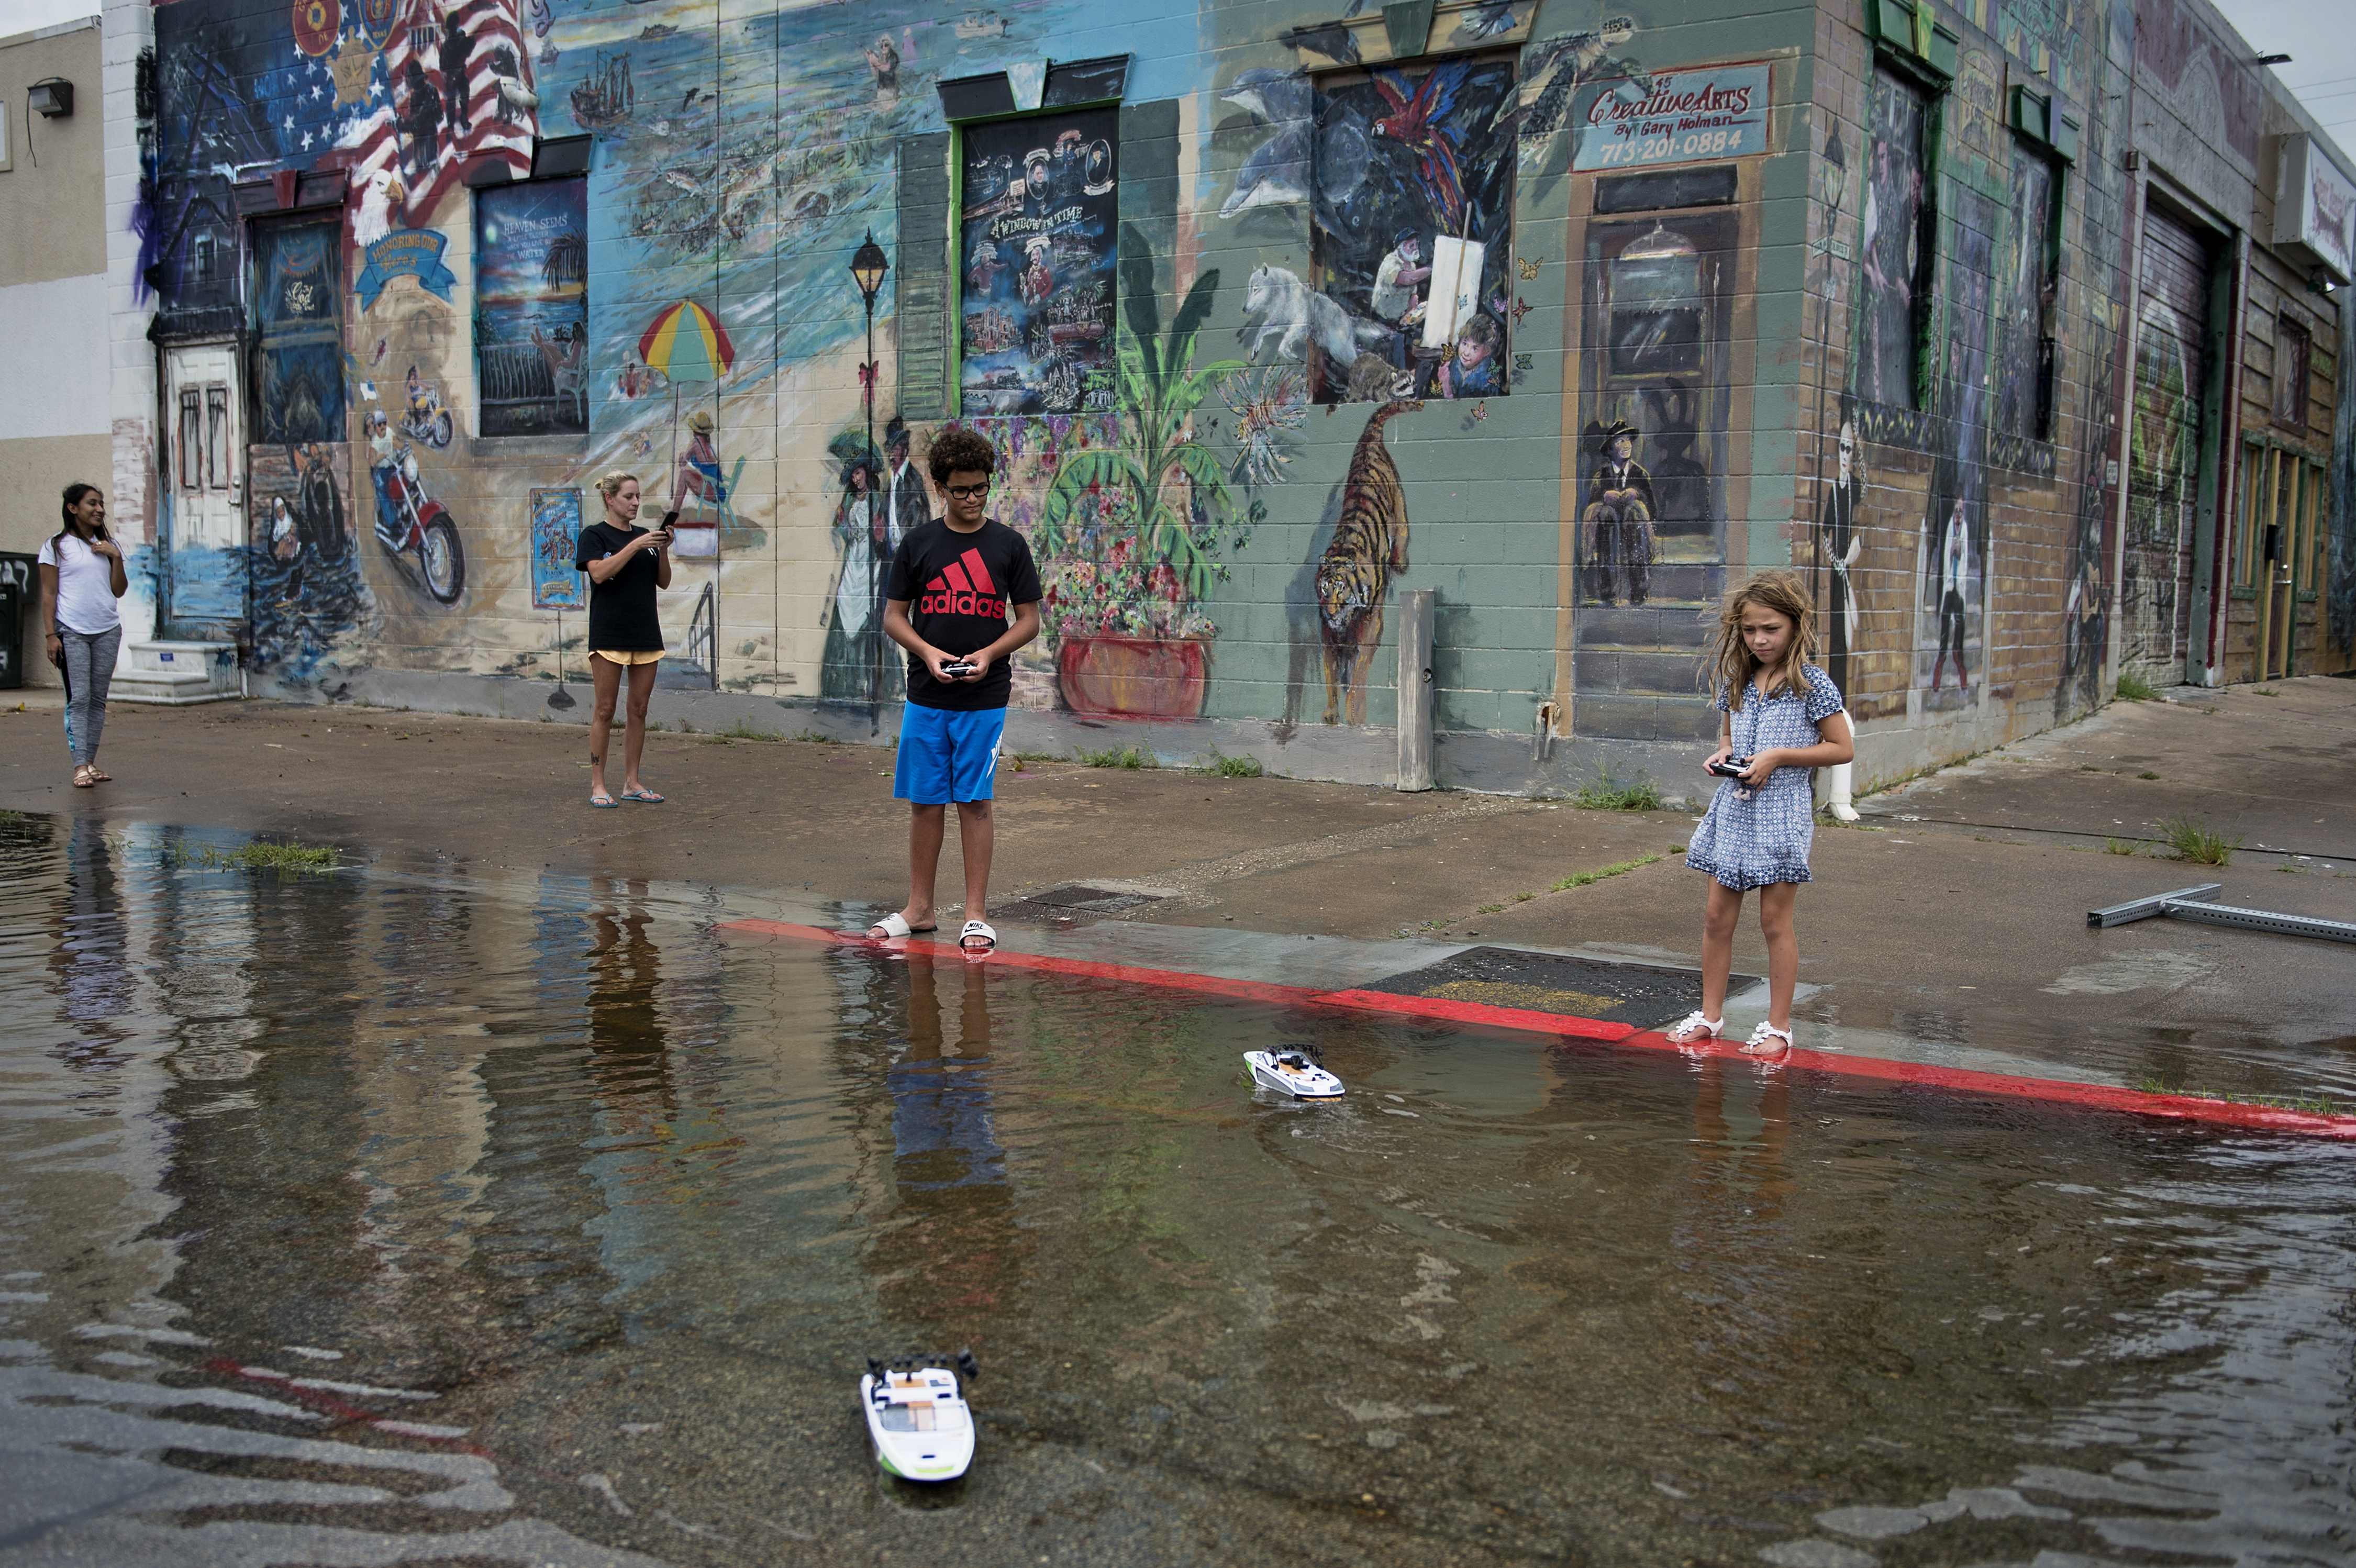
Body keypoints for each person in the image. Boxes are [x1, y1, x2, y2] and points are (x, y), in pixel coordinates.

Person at [1666, 570, 1856, 1059]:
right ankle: (1710, 1016)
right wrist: (1722, 753)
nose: (1761, 639)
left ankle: (1779, 1027)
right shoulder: (1739, 679)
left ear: (1796, 625)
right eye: (1751, 630)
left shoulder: (1812, 683)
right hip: (1734, 809)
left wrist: (1777, 756)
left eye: (1771, 628)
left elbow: (1842, 748)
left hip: (1781, 813)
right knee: (1715, 918)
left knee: (1775, 922)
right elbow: (1729, 736)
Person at [870, 427, 1042, 953]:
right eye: (962, 489)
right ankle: (919, 909)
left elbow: (1030, 621)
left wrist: (992, 653)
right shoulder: (919, 545)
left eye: (981, 488)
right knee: (925, 802)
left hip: (984, 698)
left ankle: (975, 914)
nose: (972, 499)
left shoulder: (1009, 545)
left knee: (975, 802)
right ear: (940, 486)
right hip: (926, 694)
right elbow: (894, 618)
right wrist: (926, 652)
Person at [575, 471, 673, 808]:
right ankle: (598, 785)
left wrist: (661, 550)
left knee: (639, 709)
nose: (635, 503)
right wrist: (634, 545)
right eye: (629, 497)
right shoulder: (594, 536)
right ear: (610, 499)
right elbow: (600, 574)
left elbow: (664, 583)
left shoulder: (646, 538)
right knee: (605, 710)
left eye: (637, 497)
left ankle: (632, 782)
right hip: (609, 633)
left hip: (645, 632)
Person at [37, 483, 130, 789]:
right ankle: (80, 767)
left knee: (98, 701)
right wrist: (51, 635)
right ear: (73, 508)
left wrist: (115, 556)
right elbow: (49, 593)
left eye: (102, 503)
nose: (100, 509)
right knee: (80, 699)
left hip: (107, 630)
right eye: (92, 503)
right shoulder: (56, 546)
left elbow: (119, 590)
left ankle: (90, 762)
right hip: (72, 631)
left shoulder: (109, 544)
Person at [1582, 419, 1657, 605]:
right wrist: (1604, 496)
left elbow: (1653, 508)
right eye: (1620, 442)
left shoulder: (1640, 475)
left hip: (1632, 527)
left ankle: (1639, 588)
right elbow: (1591, 505)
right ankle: (1608, 589)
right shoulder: (1602, 475)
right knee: (1606, 514)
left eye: (1628, 441)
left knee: (1634, 513)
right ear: (1610, 449)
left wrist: (1637, 494)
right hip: (1610, 528)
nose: (1626, 446)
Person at [1929, 496, 1972, 695]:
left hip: (1960, 591)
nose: (1958, 515)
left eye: (1961, 511)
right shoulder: (1950, 531)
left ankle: (1963, 679)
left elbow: (1963, 560)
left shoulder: (1964, 532)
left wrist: (1960, 551)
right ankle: (1937, 679)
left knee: (1959, 642)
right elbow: (1947, 557)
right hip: (1949, 589)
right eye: (1956, 511)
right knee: (1944, 639)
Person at [1436, 312, 1503, 399]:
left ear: (1486, 352)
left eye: (1475, 349)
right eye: (1465, 344)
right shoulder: (1454, 364)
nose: (1466, 353)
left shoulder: (1489, 380)